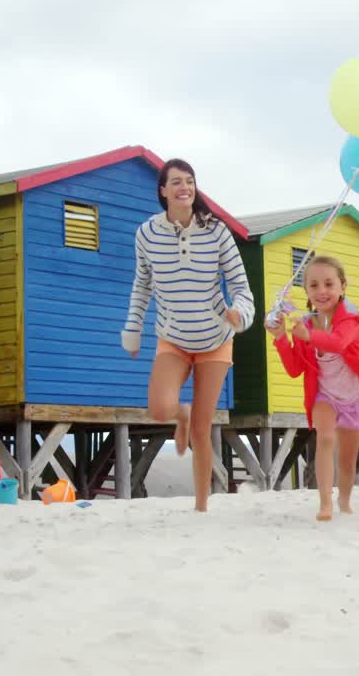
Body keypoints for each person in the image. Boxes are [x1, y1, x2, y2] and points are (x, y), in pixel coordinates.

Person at [121, 158, 254, 512]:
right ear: (163, 190)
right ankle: (180, 413)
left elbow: (241, 287)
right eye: (177, 182)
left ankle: (201, 506)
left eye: (190, 181)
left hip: (215, 340)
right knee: (159, 408)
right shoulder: (146, 234)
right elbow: (142, 285)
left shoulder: (216, 231)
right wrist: (133, 329)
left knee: (201, 428)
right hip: (173, 337)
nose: (185, 187)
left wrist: (240, 314)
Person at [267, 255, 359, 521]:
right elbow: (294, 369)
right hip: (324, 395)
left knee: (347, 462)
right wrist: (281, 338)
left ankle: (344, 501)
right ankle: (325, 504)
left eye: (329, 284)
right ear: (306, 290)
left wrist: (309, 336)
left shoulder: (350, 318)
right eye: (314, 285)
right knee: (324, 439)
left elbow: (339, 343)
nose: (321, 291)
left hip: (353, 397)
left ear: (342, 286)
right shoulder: (305, 324)